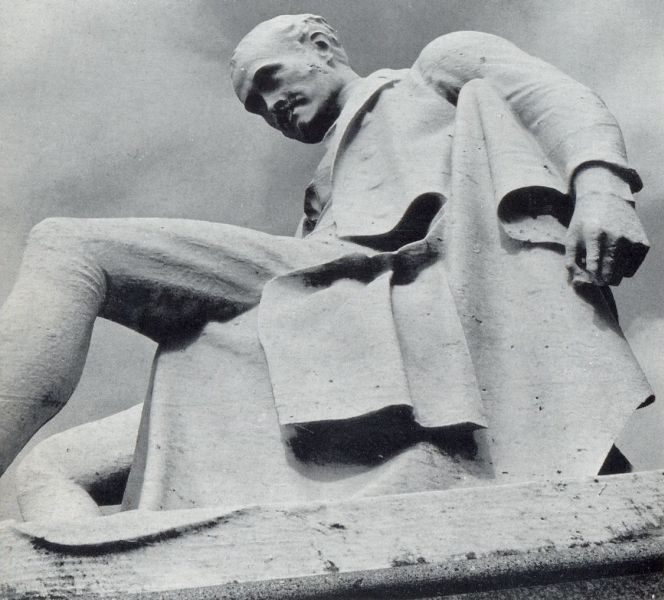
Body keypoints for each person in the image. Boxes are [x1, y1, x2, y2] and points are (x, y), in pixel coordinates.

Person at [2, 15, 654, 518]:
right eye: (255, 107)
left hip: (384, 280)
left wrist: (601, 189)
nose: (270, 109)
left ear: (319, 46)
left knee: (69, 246)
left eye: (269, 81)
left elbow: (551, 95)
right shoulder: (318, 201)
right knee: (50, 471)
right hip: (327, 312)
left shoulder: (431, 71)